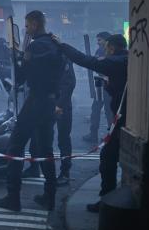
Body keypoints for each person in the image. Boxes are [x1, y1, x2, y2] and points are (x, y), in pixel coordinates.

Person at [0, 11, 65, 211]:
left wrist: (17, 60)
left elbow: (23, 77)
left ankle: (13, 197)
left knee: (15, 146)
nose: (25, 29)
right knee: (46, 150)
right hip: (50, 101)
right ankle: (49, 197)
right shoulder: (56, 44)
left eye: (27, 25)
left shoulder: (33, 46)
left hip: (36, 101)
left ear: (34, 24)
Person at [53, 33, 128, 213]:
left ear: (111, 48)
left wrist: (63, 45)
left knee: (108, 158)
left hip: (124, 118)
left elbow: (86, 60)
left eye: (107, 49)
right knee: (113, 156)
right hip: (125, 116)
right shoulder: (127, 59)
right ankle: (110, 197)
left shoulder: (116, 61)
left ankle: (107, 200)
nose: (105, 52)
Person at [22, 57, 76, 187]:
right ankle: (34, 166)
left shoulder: (63, 58)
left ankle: (65, 173)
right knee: (37, 136)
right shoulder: (43, 57)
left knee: (63, 138)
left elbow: (69, 83)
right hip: (45, 102)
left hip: (61, 104)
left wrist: (60, 104)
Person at [82, 32, 114, 143]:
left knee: (105, 111)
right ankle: (102, 135)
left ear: (106, 40)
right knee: (100, 110)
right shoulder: (105, 50)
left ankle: (101, 135)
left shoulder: (104, 51)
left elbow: (97, 65)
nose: (98, 42)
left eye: (100, 40)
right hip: (102, 85)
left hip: (105, 85)